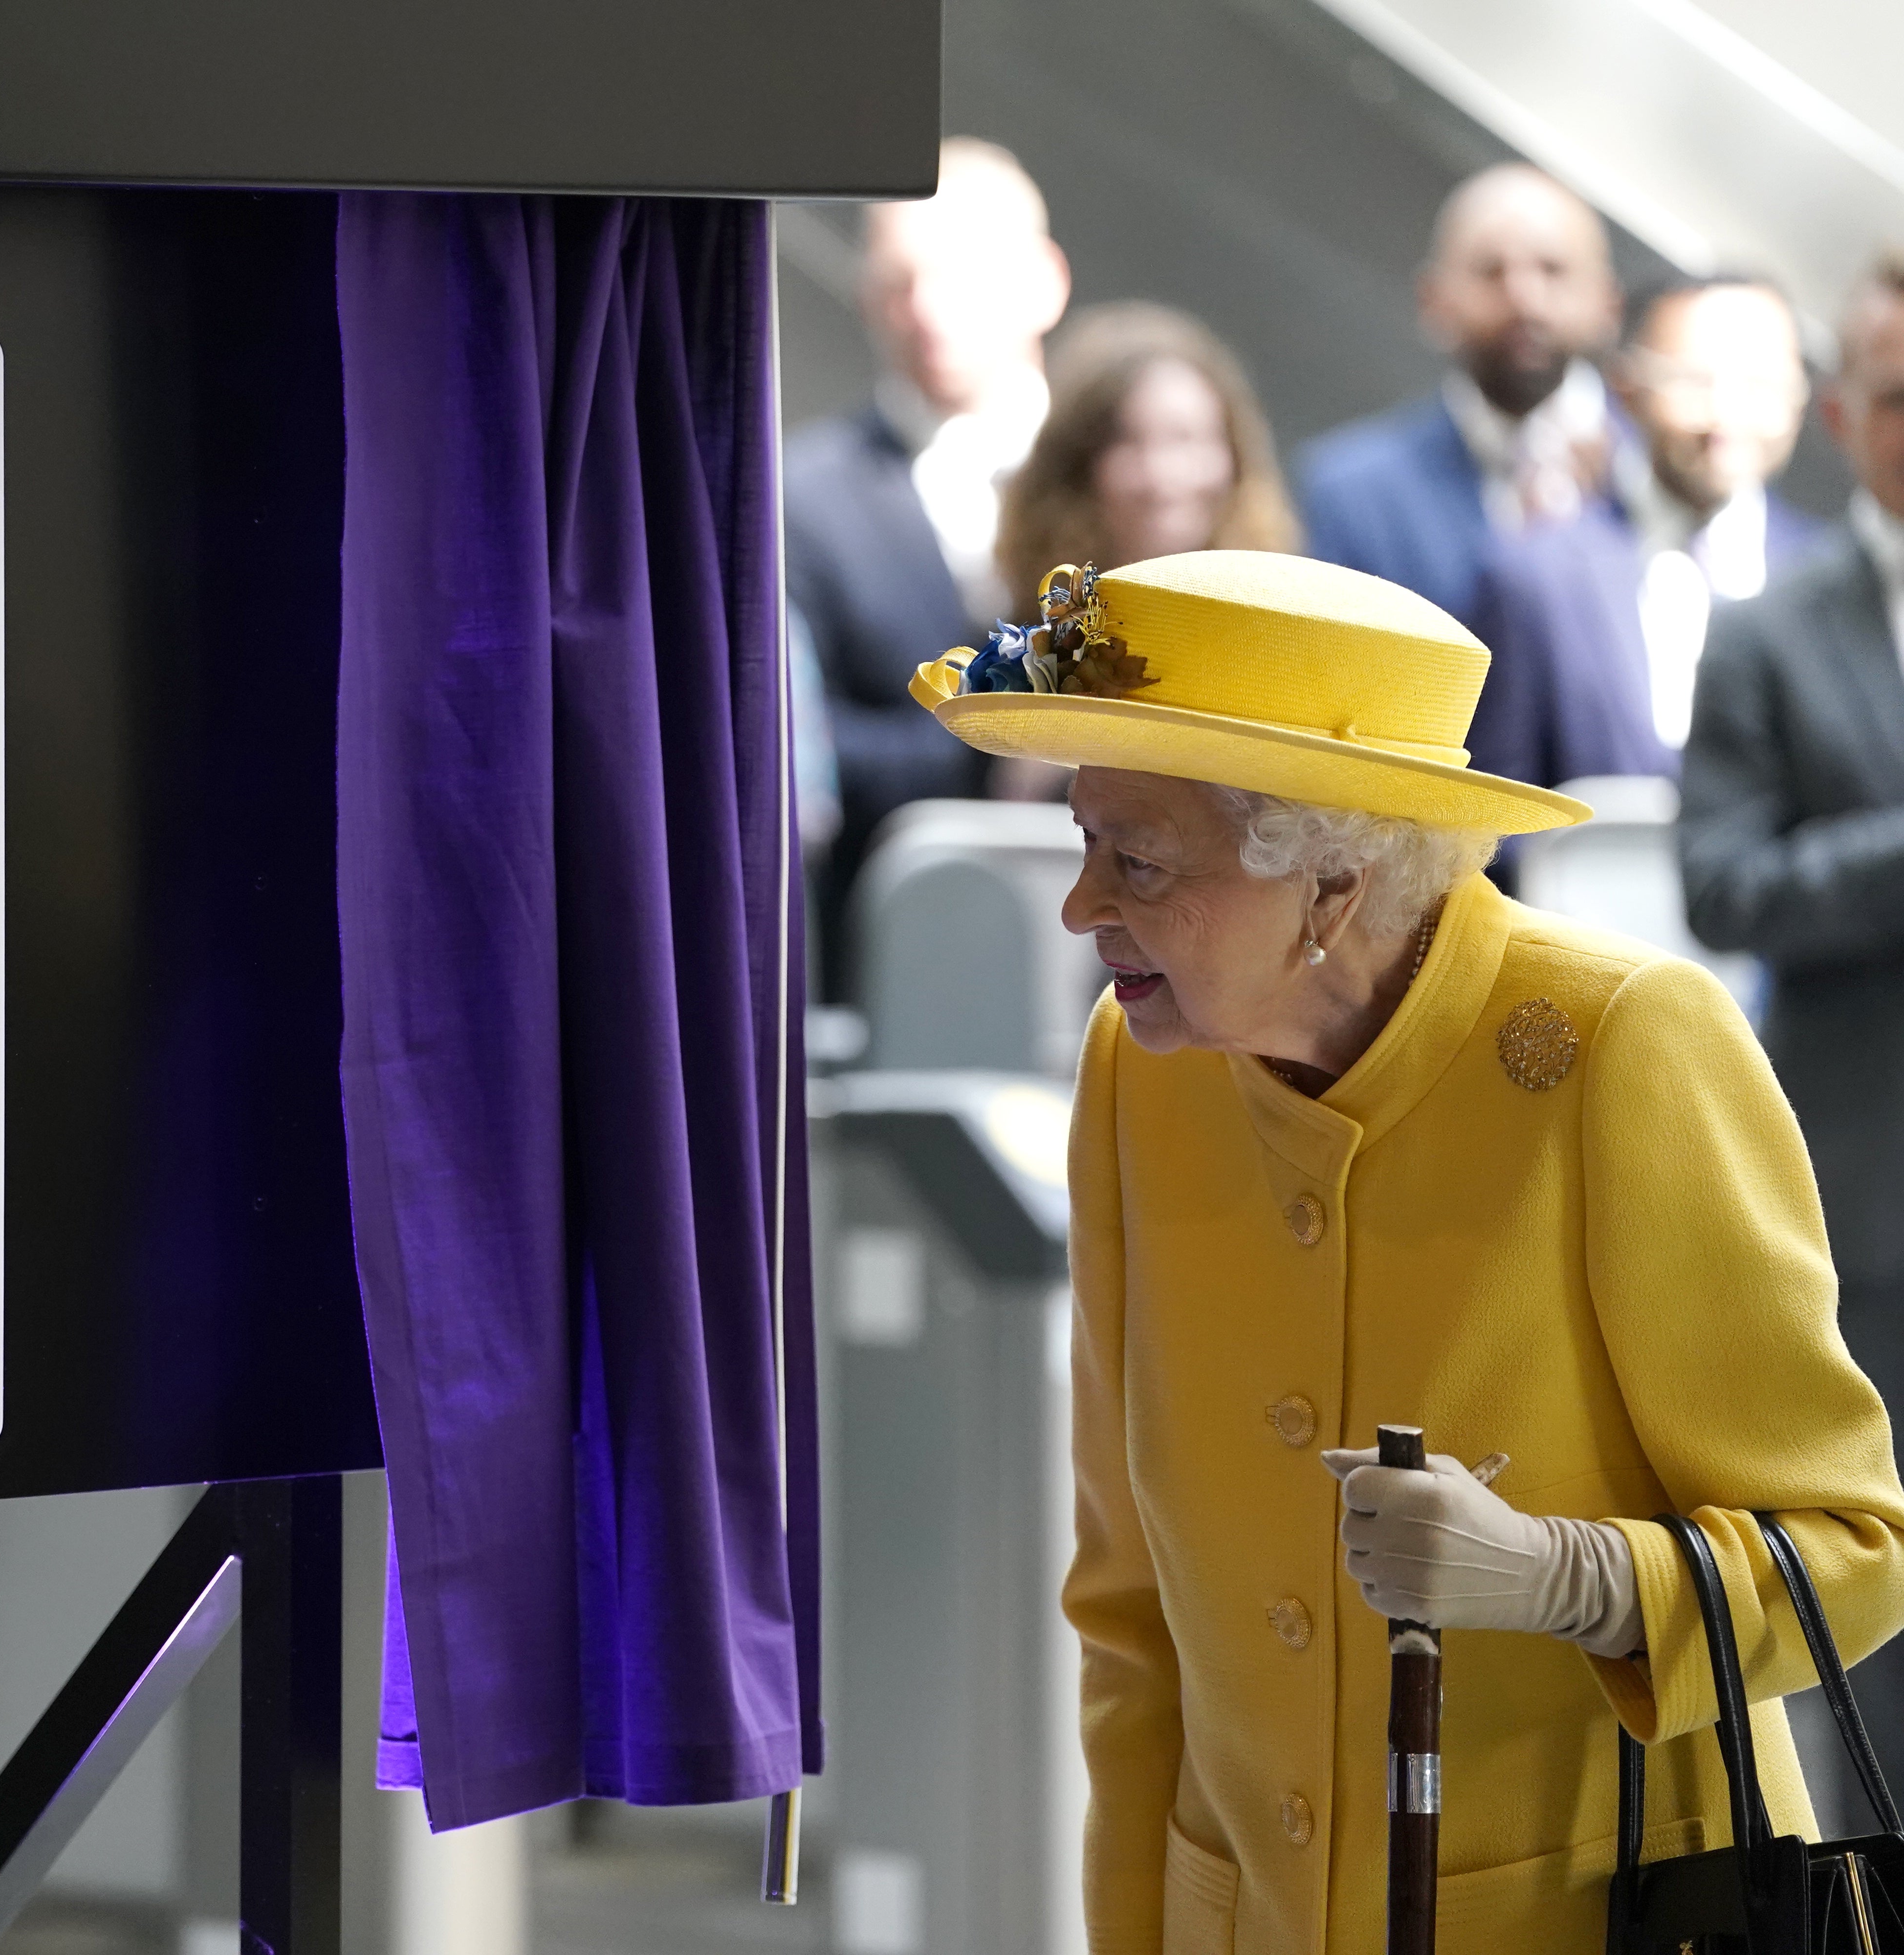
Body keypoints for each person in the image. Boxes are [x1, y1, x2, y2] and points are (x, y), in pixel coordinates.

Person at [909, 552, 1904, 1951]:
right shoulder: (1143, 1072)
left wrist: (1573, 1576)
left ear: (1330, 880)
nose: (1081, 907)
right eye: (1087, 843)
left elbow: (1853, 1551)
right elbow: (1129, 1617)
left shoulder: (1621, 1048)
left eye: (1135, 860)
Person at [1682, 248, 1904, 1766]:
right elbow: (1724, 888)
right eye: (1895, 395)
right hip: (1866, 1202)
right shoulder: (1765, 631)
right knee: (1869, 1620)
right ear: (1837, 415)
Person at [785, 137, 1071, 894]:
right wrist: (992, 749)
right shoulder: (800, 499)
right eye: (897, 284)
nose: (927, 312)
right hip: (896, 923)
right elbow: (796, 741)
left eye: (962, 275)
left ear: (1045, 282)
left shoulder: (1130, 469)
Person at [1471, 273, 1826, 789]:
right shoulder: (1535, 577)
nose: (1725, 416)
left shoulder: (1833, 584)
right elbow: (1491, 809)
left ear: (1801, 397)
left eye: (1761, 384)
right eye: (1693, 381)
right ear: (1627, 388)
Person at [982, 302, 1302, 798]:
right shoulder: (1019, 640)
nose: (1163, 476)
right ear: (1077, 468)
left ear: (1233, 457)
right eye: (1130, 442)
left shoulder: (1285, 636)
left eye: (1186, 438)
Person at [1300, 164, 1623, 623]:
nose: (1524, 299)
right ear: (1433, 300)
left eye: (1553, 270)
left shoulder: (1659, 472)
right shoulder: (1355, 497)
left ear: (1608, 303)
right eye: (1491, 272)